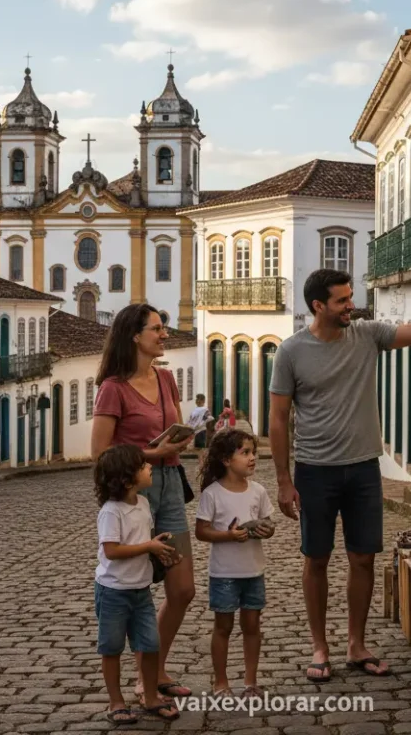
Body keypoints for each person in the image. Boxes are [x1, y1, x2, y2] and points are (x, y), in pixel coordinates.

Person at [269, 268, 411, 682]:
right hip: (315, 470)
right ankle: (319, 647)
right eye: (342, 300)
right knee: (316, 559)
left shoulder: (366, 335)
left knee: (363, 558)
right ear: (318, 306)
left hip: (362, 468)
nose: (351, 305)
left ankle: (356, 644)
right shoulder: (291, 352)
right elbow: (278, 416)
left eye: (350, 297)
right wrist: (283, 480)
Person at [91, 304, 197, 700]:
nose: (165, 334)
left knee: (182, 589)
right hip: (134, 494)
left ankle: (152, 669)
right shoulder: (113, 388)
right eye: (157, 328)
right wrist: (150, 455)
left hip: (170, 486)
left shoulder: (167, 378)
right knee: (138, 588)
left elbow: (175, 428)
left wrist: (181, 442)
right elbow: (100, 453)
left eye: (164, 327)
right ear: (135, 336)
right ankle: (146, 679)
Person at [93, 444, 181, 723]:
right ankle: (116, 702)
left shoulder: (143, 504)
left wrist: (162, 551)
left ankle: (151, 695)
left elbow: (145, 540)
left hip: (140, 589)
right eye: (143, 465)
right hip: (113, 592)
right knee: (112, 647)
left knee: (150, 643)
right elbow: (112, 551)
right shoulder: (111, 512)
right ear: (126, 477)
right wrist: (149, 547)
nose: (150, 467)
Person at [194, 429, 275, 698]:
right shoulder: (213, 494)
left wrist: (266, 530)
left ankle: (251, 682)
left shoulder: (259, 492)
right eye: (245, 453)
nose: (253, 458)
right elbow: (201, 531)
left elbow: (269, 523)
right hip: (224, 573)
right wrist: (228, 535)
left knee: (252, 627)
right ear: (227, 460)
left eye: (254, 452)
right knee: (223, 627)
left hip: (254, 571)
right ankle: (221, 683)